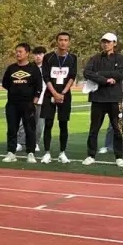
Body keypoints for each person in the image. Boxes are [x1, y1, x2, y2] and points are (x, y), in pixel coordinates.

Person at [82, 32, 123, 167]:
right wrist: (105, 80)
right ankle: (91, 155)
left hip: (114, 99)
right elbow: (87, 73)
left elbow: (120, 74)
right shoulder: (95, 58)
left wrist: (99, 74)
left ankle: (119, 156)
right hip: (97, 99)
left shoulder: (120, 58)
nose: (105, 44)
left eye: (108, 42)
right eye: (104, 41)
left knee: (118, 129)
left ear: (114, 43)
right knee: (94, 129)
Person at [40, 31, 78, 164]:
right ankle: (47, 153)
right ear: (57, 41)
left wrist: (63, 93)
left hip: (65, 95)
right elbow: (46, 77)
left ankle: (62, 152)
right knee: (48, 123)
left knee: (63, 124)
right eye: (61, 40)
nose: (63, 42)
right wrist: (55, 93)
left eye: (66, 40)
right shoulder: (48, 57)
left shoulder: (72, 58)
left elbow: (72, 76)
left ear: (69, 42)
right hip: (50, 93)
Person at [2, 43, 42, 163]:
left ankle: (30, 153)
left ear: (27, 53)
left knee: (30, 129)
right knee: (12, 129)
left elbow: (39, 86)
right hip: (12, 104)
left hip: (28, 104)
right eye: (16, 51)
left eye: (20, 51)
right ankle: (11, 152)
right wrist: (16, 90)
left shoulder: (33, 69)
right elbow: (5, 83)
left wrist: (34, 101)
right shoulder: (11, 68)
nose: (17, 54)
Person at [17, 46, 47, 153]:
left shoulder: (48, 69)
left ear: (44, 55)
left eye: (40, 54)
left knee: (39, 124)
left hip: (42, 100)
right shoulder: (29, 67)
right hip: (28, 99)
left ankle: (35, 143)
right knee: (23, 122)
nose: (38, 56)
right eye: (36, 54)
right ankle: (20, 142)